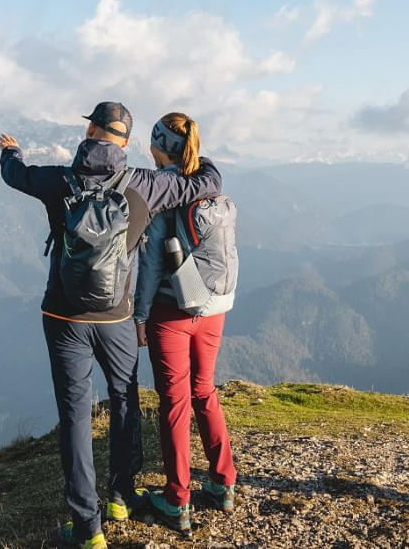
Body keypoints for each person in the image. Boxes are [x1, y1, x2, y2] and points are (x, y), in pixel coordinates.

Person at [0, 101, 222, 549]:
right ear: (124, 140)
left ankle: (88, 527)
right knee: (123, 399)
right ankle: (122, 494)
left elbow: (15, 175)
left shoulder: (58, 179)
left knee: (76, 416)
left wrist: (11, 151)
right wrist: (196, 152)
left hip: (64, 316)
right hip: (117, 316)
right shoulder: (146, 184)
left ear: (92, 131)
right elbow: (209, 181)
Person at [133, 112, 237, 535]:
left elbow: (152, 262)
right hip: (214, 308)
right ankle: (223, 483)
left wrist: (140, 316)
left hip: (172, 313)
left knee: (174, 404)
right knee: (204, 391)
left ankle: (177, 500)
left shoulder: (165, 195)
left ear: (159, 147)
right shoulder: (207, 179)